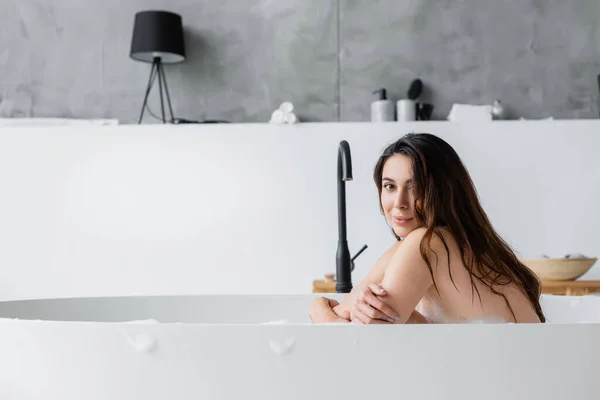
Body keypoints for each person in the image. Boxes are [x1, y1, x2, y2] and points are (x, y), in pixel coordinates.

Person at [309, 133, 545, 324]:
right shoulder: (463, 244)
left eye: (415, 188)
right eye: (389, 186)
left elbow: (356, 343)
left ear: (443, 191)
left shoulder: (427, 243)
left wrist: (321, 312)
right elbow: (350, 312)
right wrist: (319, 306)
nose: (399, 202)